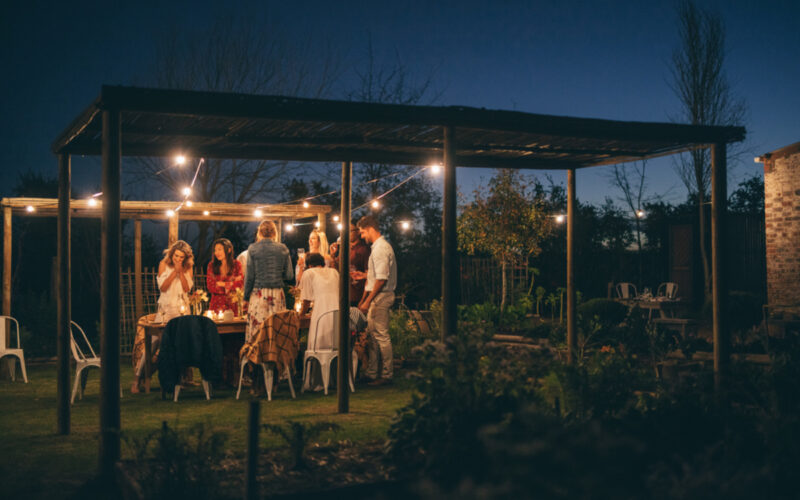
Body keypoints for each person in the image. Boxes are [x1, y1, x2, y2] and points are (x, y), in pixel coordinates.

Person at [131, 239, 194, 393]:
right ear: (171, 254)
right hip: (165, 311)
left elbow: (187, 289)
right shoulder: (163, 265)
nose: (178, 259)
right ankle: (137, 380)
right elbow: (163, 287)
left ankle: (178, 380)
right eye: (176, 256)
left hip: (182, 312)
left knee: (180, 346)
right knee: (151, 345)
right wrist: (174, 273)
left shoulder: (188, 268)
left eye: (181, 257)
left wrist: (181, 272)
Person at [354, 215, 397, 386]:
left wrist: (367, 301)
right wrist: (364, 298)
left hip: (382, 297)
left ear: (371, 228)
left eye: (363, 232)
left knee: (381, 336)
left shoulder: (380, 249)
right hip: (376, 296)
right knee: (372, 336)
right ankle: (371, 372)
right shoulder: (377, 248)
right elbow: (373, 278)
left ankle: (386, 374)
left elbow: (381, 279)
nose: (362, 236)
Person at [243, 220, 293, 342]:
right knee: (276, 331)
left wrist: (245, 298)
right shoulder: (283, 249)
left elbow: (249, 277)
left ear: (259, 232)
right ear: (274, 233)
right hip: (277, 296)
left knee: (258, 333)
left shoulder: (253, 249)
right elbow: (289, 275)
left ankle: (257, 359)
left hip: (258, 295)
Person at [298, 252, 339, 391]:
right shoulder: (334, 272)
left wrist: (301, 315)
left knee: (318, 347)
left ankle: (317, 382)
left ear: (308, 265)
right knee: (334, 348)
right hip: (336, 313)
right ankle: (335, 379)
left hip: (321, 313)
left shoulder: (309, 273)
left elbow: (306, 300)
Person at [332, 222, 371, 306]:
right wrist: (332, 256)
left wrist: (364, 299)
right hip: (344, 293)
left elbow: (369, 275)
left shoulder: (364, 250)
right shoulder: (344, 249)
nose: (346, 234)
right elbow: (337, 270)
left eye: (350, 231)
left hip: (357, 295)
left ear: (358, 232)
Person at [207, 238, 244, 313]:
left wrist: (222, 284)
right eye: (215, 250)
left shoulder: (237, 265)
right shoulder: (211, 265)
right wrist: (231, 285)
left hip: (233, 304)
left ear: (229, 250)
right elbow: (211, 286)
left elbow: (240, 284)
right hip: (216, 305)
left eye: (219, 249)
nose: (217, 252)